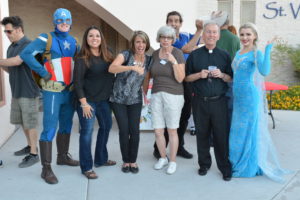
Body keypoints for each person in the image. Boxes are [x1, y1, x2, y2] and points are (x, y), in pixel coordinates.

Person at [19, 8, 79, 184]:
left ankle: (62, 157)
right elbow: (25, 54)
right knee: (50, 128)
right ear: (54, 22)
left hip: (70, 91)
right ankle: (46, 169)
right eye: (60, 20)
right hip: (52, 91)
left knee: (67, 125)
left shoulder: (74, 41)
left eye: (67, 20)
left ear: (71, 21)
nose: (64, 23)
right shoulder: (46, 38)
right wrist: (42, 72)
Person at [229, 23, 287, 182]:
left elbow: (265, 71)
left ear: (254, 36)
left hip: (249, 97)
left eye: (248, 34)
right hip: (238, 99)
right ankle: (235, 161)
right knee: (236, 131)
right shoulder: (238, 52)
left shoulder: (256, 53)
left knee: (248, 131)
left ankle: (248, 166)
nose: (245, 37)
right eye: (242, 34)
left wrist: (268, 49)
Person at [185, 21, 232, 181]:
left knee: (221, 135)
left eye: (214, 32)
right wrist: (199, 75)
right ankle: (204, 165)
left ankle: (225, 167)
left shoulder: (224, 55)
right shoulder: (194, 55)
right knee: (202, 135)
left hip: (219, 102)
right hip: (200, 102)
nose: (211, 35)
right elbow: (187, 77)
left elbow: (230, 77)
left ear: (218, 36)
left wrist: (222, 75)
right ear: (203, 35)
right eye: (208, 32)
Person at [153, 11, 203, 160]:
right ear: (166, 23)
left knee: (184, 116)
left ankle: (179, 147)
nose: (173, 23)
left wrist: (198, 33)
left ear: (181, 23)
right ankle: (159, 148)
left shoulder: (187, 36)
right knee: (166, 118)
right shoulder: (169, 38)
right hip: (170, 82)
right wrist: (199, 31)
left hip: (185, 80)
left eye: (176, 21)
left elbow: (196, 43)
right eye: (170, 21)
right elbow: (187, 48)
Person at [73, 26, 116, 179]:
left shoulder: (108, 53)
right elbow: (77, 82)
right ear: (86, 39)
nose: (94, 38)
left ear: (101, 38)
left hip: (104, 100)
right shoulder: (81, 57)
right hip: (88, 101)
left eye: (97, 35)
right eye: (91, 36)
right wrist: (84, 104)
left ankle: (101, 159)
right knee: (86, 133)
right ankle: (86, 167)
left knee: (106, 127)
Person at [109, 31, 151, 174]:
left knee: (135, 131)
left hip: (135, 99)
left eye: (143, 42)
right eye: (138, 42)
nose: (140, 45)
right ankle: (125, 161)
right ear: (133, 43)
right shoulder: (125, 55)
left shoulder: (149, 59)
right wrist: (131, 67)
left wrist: (145, 93)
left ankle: (133, 161)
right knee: (124, 130)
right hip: (118, 99)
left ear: (147, 44)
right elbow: (112, 68)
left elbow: (146, 78)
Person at [0, 16, 39, 168]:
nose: (6, 34)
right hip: (17, 90)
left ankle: (34, 154)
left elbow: (17, 61)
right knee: (23, 123)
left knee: (30, 123)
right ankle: (29, 146)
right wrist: (3, 64)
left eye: (8, 31)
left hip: (29, 91)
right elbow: (11, 69)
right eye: (5, 31)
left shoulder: (29, 45)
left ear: (19, 29)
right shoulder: (11, 47)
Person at [150, 26, 185, 175]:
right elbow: (150, 74)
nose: (165, 40)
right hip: (156, 94)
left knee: (171, 130)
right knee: (158, 130)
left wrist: (173, 62)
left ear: (172, 39)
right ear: (159, 38)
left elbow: (180, 78)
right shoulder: (155, 54)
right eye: (163, 37)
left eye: (169, 38)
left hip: (174, 95)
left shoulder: (178, 53)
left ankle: (172, 161)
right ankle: (163, 157)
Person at [214, 11, 240, 123]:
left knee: (215, 112)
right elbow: (238, 60)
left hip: (214, 78)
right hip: (230, 78)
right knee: (229, 111)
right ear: (228, 23)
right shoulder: (235, 39)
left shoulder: (213, 36)